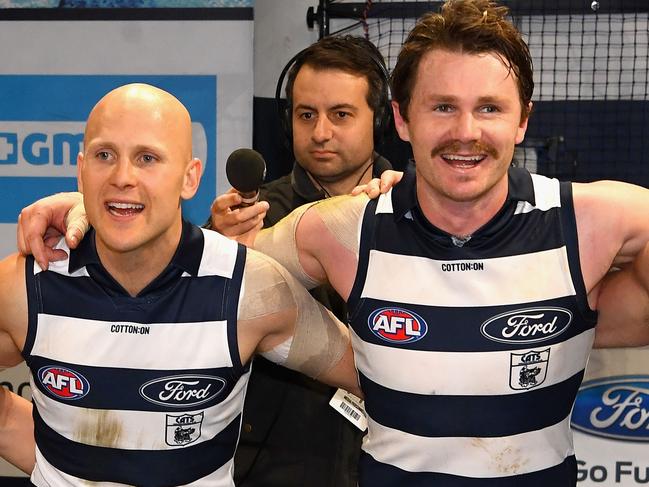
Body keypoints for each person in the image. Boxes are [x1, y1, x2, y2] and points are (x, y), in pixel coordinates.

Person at [15, 1, 649, 485]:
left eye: (489, 108)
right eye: (441, 107)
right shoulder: (339, 230)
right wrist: (105, 211)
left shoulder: (598, 223)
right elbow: (188, 272)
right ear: (402, 119)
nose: (465, 132)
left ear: (524, 118)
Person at [0, 83, 360, 486]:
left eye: (147, 158)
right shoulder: (24, 285)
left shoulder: (250, 289)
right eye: (105, 156)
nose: (123, 177)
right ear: (81, 169)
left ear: (190, 178)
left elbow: (385, 381)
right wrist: (57, 466)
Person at [207, 35, 391, 487]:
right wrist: (214, 251)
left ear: (380, 118)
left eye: (341, 114)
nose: (321, 132)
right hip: (273, 469)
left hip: (395, 464)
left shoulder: (415, 208)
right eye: (306, 115)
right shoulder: (249, 218)